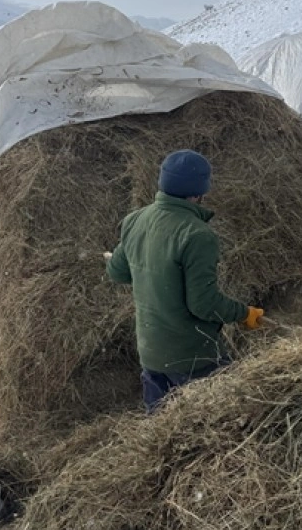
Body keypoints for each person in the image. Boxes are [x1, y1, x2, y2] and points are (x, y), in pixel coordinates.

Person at [106, 149, 264, 412]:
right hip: (193, 357)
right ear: (200, 191)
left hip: (151, 354)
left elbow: (117, 272)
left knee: (158, 433)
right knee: (219, 425)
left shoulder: (136, 220)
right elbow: (202, 304)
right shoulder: (197, 235)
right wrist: (244, 313)